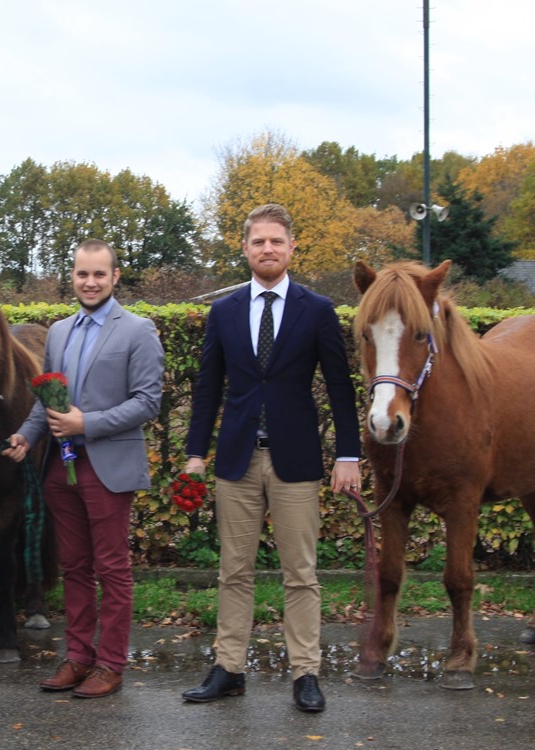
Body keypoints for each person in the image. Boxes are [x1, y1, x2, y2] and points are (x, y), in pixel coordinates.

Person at [181, 204, 360, 712]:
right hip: (236, 461)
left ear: (291, 248)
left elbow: (341, 390)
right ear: (245, 249)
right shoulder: (226, 312)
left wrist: (349, 453)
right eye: (258, 241)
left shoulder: (317, 310)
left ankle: (305, 672)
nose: (267, 249)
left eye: (275, 241)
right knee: (233, 570)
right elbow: (208, 387)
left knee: (300, 573)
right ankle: (228, 668)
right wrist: (196, 452)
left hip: (295, 461)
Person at [4, 239, 164, 698]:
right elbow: (46, 399)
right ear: (71, 277)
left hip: (109, 467)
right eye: (81, 274)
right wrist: (26, 435)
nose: (89, 282)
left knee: (111, 568)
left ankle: (109, 664)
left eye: (99, 274)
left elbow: (148, 402)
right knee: (73, 566)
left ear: (115, 277)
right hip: (61, 468)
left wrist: (85, 423)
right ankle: (78, 658)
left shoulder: (138, 330)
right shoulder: (58, 332)